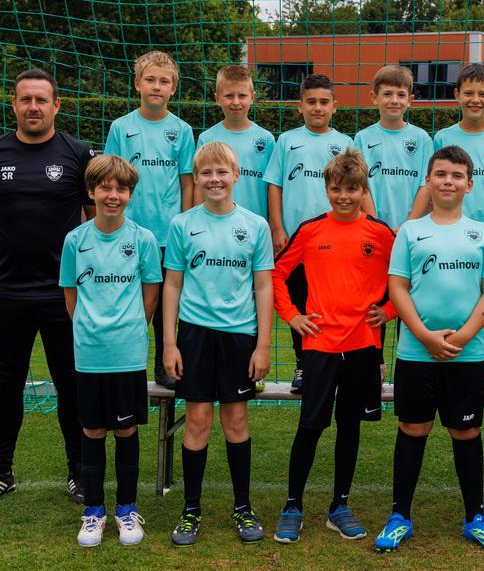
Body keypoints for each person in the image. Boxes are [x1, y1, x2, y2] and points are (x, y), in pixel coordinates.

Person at [0, 68, 94, 506]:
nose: (33, 107)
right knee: (6, 384)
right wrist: (6, 252)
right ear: (14, 105)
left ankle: (79, 471)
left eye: (41, 99)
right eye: (25, 100)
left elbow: (94, 220)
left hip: (63, 294)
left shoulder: (78, 153)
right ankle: (0, 470)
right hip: (5, 292)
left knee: (71, 383)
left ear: (57, 105)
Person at [373, 146, 484, 553]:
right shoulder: (411, 231)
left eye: (456, 175)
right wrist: (425, 335)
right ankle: (400, 516)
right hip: (417, 352)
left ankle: (476, 517)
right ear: (428, 181)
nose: (447, 181)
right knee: (413, 428)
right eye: (440, 174)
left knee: (466, 430)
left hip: (466, 353)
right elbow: (397, 287)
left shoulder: (481, 233)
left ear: (470, 184)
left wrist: (465, 335)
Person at [270, 149, 396, 544]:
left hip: (363, 346)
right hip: (320, 347)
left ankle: (339, 506)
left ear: (364, 190)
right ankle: (293, 505)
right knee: (310, 426)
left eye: (353, 189)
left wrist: (389, 311)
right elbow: (277, 274)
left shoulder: (381, 233)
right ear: (326, 189)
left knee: (350, 426)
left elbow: (405, 279)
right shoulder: (309, 231)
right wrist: (292, 317)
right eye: (337, 189)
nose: (344, 196)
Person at [162, 142, 274, 546]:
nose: (214, 179)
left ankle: (243, 507)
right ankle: (191, 510)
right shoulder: (182, 224)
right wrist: (169, 344)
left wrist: (262, 346)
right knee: (196, 420)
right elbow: (172, 283)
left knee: (236, 420)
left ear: (236, 176)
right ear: (197, 178)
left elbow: (263, 286)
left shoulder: (255, 226)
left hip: (239, 336)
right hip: (194, 335)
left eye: (221, 172)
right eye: (206, 173)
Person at [58, 155, 162, 547]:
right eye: (105, 187)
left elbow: (150, 295)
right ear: (91, 191)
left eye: (120, 189)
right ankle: (93, 511)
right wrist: (90, 327)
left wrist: (132, 327)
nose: (112, 195)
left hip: (128, 351)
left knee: (126, 428)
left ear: (130, 194)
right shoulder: (75, 240)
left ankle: (126, 509)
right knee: (92, 429)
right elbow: (71, 296)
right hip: (89, 352)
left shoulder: (143, 239)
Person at [104, 50, 195, 390]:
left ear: (174, 88)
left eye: (165, 81)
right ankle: (125, 363)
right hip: (130, 233)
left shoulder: (182, 130)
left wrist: (184, 227)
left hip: (168, 236)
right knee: (129, 300)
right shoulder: (121, 127)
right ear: (137, 84)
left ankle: (166, 365)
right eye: (151, 80)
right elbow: (111, 178)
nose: (157, 86)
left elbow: (188, 181)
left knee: (167, 304)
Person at [262, 74, 356, 390]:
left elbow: (357, 189)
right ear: (299, 106)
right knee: (298, 301)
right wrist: (277, 227)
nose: (318, 108)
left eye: (324, 102)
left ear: (335, 107)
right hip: (296, 240)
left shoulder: (345, 143)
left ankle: (335, 361)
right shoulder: (287, 140)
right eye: (311, 102)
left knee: (332, 302)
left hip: (335, 241)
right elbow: (274, 185)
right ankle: (303, 365)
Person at [433, 63, 484, 392]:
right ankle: (444, 353)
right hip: (449, 231)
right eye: (469, 93)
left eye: (483, 93)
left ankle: (479, 365)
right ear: (457, 96)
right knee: (452, 291)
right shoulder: (443, 137)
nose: (475, 99)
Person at [353, 65, 434, 230]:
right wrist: (374, 222)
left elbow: (426, 186)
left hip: (411, 227)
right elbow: (360, 184)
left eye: (401, 95)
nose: (394, 100)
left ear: (410, 100)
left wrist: (409, 225)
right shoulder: (362, 138)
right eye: (387, 94)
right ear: (374, 97)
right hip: (372, 226)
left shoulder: (422, 139)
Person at [196, 65, 276, 220]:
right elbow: (199, 185)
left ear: (252, 97)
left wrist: (273, 225)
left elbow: (272, 188)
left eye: (242, 95)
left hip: (255, 225)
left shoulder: (266, 139)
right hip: (213, 222)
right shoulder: (207, 138)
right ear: (217, 98)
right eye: (229, 96)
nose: (236, 102)